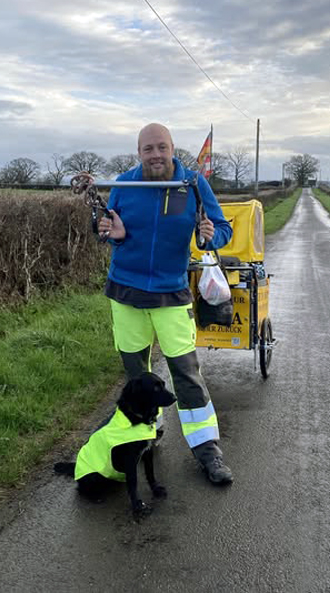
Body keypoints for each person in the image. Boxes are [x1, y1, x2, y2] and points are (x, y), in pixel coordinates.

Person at [97, 123, 234, 485]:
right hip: (125, 293)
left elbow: (222, 228)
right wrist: (114, 236)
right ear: (138, 152)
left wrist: (209, 237)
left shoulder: (192, 184)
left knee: (186, 376)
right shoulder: (124, 185)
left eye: (162, 147)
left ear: (173, 149)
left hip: (170, 294)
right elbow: (108, 229)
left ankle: (208, 453)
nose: (155, 155)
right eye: (148, 149)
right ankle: (146, 437)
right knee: (137, 375)